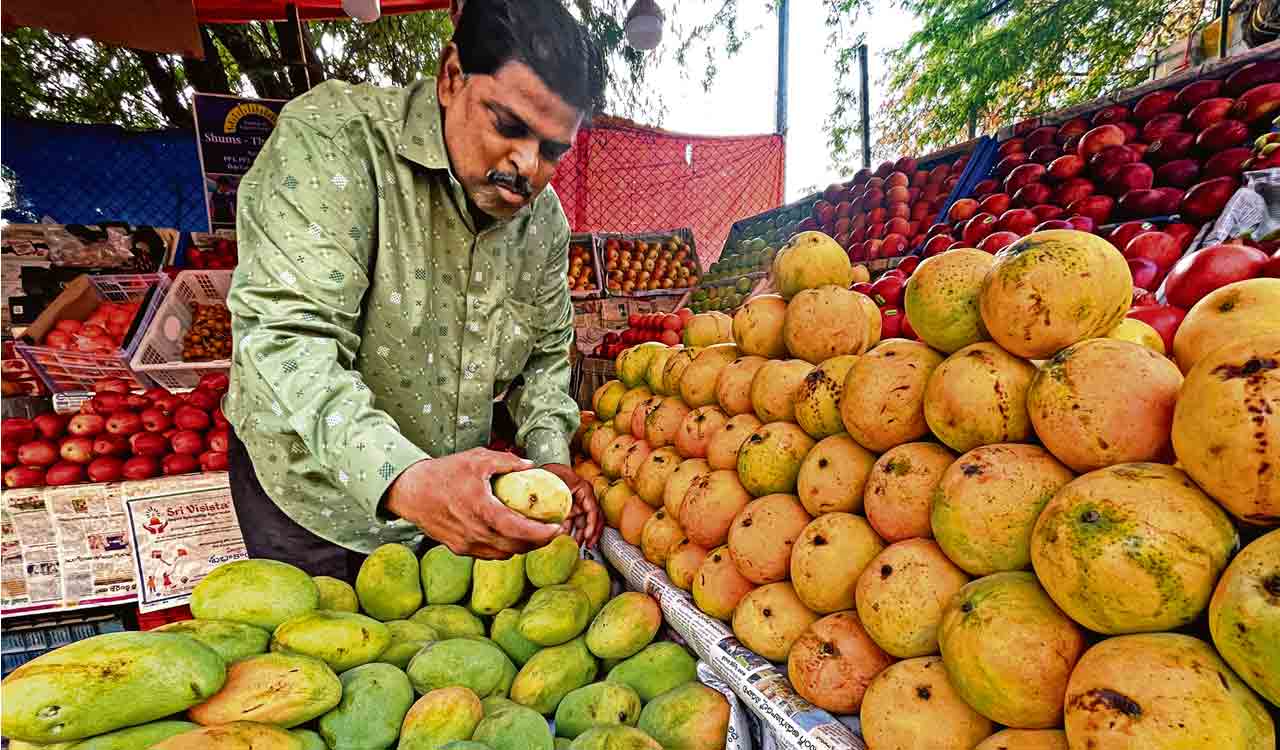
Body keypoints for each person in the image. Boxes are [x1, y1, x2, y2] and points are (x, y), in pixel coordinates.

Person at [224, 0, 604, 578]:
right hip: (316, 503)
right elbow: (288, 341)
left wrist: (551, 462)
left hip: (454, 509)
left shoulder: (544, 223)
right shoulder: (334, 143)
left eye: (553, 150)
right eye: (508, 125)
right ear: (451, 76)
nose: (527, 167)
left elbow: (547, 357)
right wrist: (407, 480)